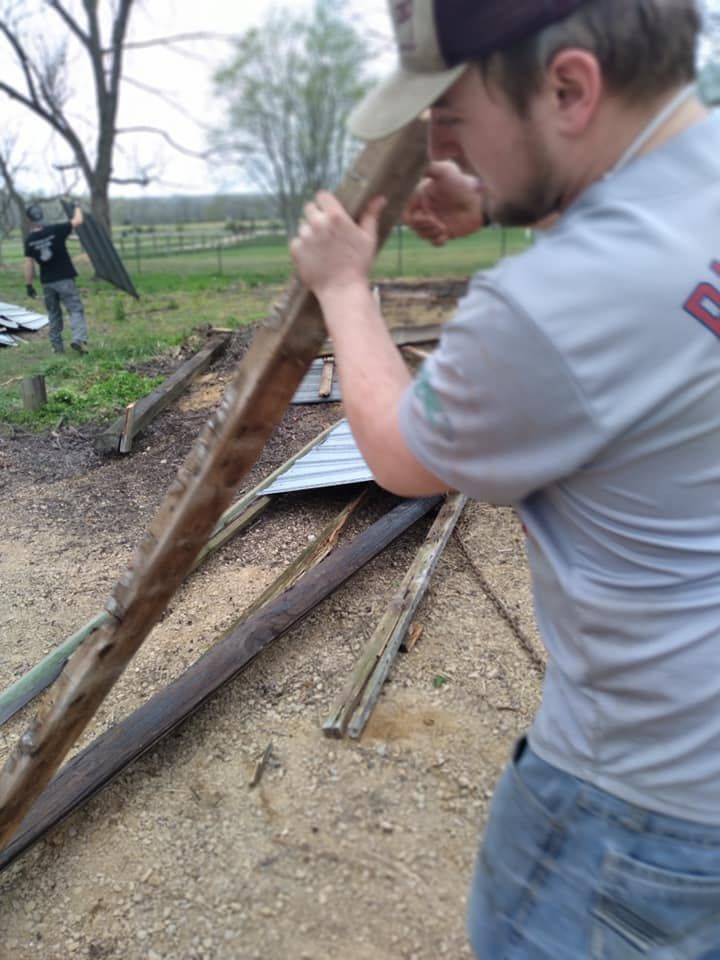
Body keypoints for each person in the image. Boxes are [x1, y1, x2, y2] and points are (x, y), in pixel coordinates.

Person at [290, 0, 720, 957]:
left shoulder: (546, 306)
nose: (439, 146)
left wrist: (344, 288)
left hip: (645, 809)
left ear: (568, 89)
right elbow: (639, 263)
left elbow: (402, 456)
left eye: (451, 115)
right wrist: (504, 196)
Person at [24, 202, 89, 354]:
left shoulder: (29, 240)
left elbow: (28, 264)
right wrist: (77, 206)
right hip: (65, 279)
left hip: (47, 282)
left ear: (29, 220)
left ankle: (57, 348)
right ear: (42, 214)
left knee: (53, 314)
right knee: (75, 309)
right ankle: (79, 340)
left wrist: (28, 285)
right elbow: (78, 220)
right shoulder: (56, 230)